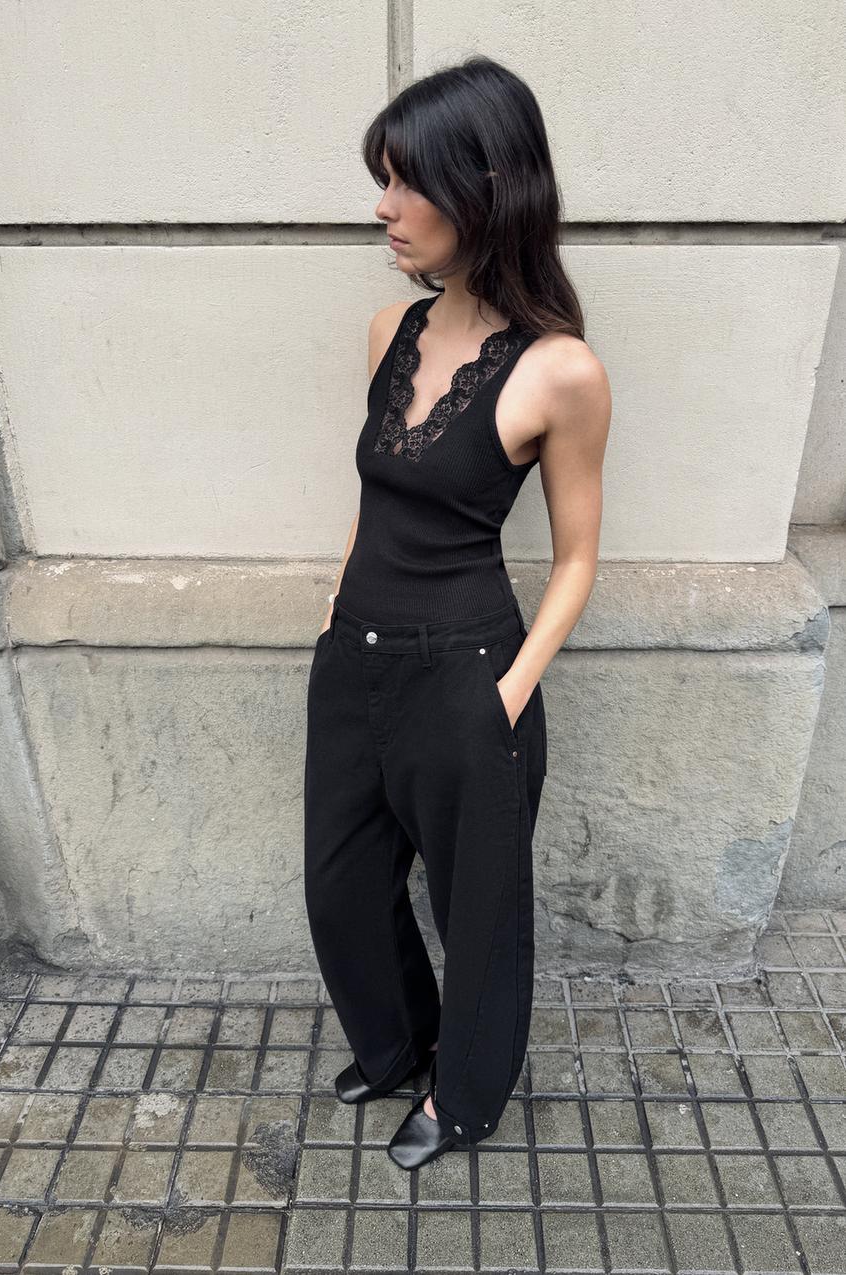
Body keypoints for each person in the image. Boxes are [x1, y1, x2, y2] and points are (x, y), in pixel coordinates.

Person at [304, 55, 611, 1170]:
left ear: (484, 188)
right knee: (340, 887)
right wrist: (337, 613)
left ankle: (464, 1097)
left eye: (405, 182)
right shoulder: (389, 329)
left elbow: (577, 560)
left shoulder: (561, 372)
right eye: (380, 180)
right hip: (355, 657)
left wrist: (506, 695)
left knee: (477, 910)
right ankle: (396, 1048)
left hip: (467, 671)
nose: (383, 208)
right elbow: (376, 497)